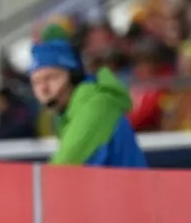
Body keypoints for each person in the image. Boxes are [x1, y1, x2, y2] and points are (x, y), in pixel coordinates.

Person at [29, 24, 149, 167]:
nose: (44, 89)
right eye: (36, 82)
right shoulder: (65, 114)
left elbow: (64, 165)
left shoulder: (95, 104)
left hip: (129, 189)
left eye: (52, 78)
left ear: (74, 77)